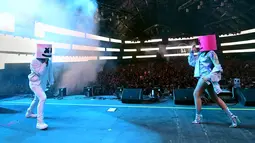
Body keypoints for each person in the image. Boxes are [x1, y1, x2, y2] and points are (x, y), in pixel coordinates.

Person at [188, 35, 240, 128]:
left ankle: (198, 117)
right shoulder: (201, 54)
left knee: (196, 94)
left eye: (200, 43)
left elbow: (217, 66)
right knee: (214, 98)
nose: (199, 45)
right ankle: (232, 117)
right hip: (203, 77)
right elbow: (192, 63)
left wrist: (209, 76)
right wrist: (191, 52)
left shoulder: (211, 53)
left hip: (206, 77)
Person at [25, 44, 54, 130]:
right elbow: (40, 72)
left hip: (42, 83)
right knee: (43, 98)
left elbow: (50, 71)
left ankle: (29, 113)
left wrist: (51, 80)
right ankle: (39, 122)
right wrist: (45, 63)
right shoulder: (34, 61)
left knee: (36, 99)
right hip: (34, 83)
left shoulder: (49, 61)